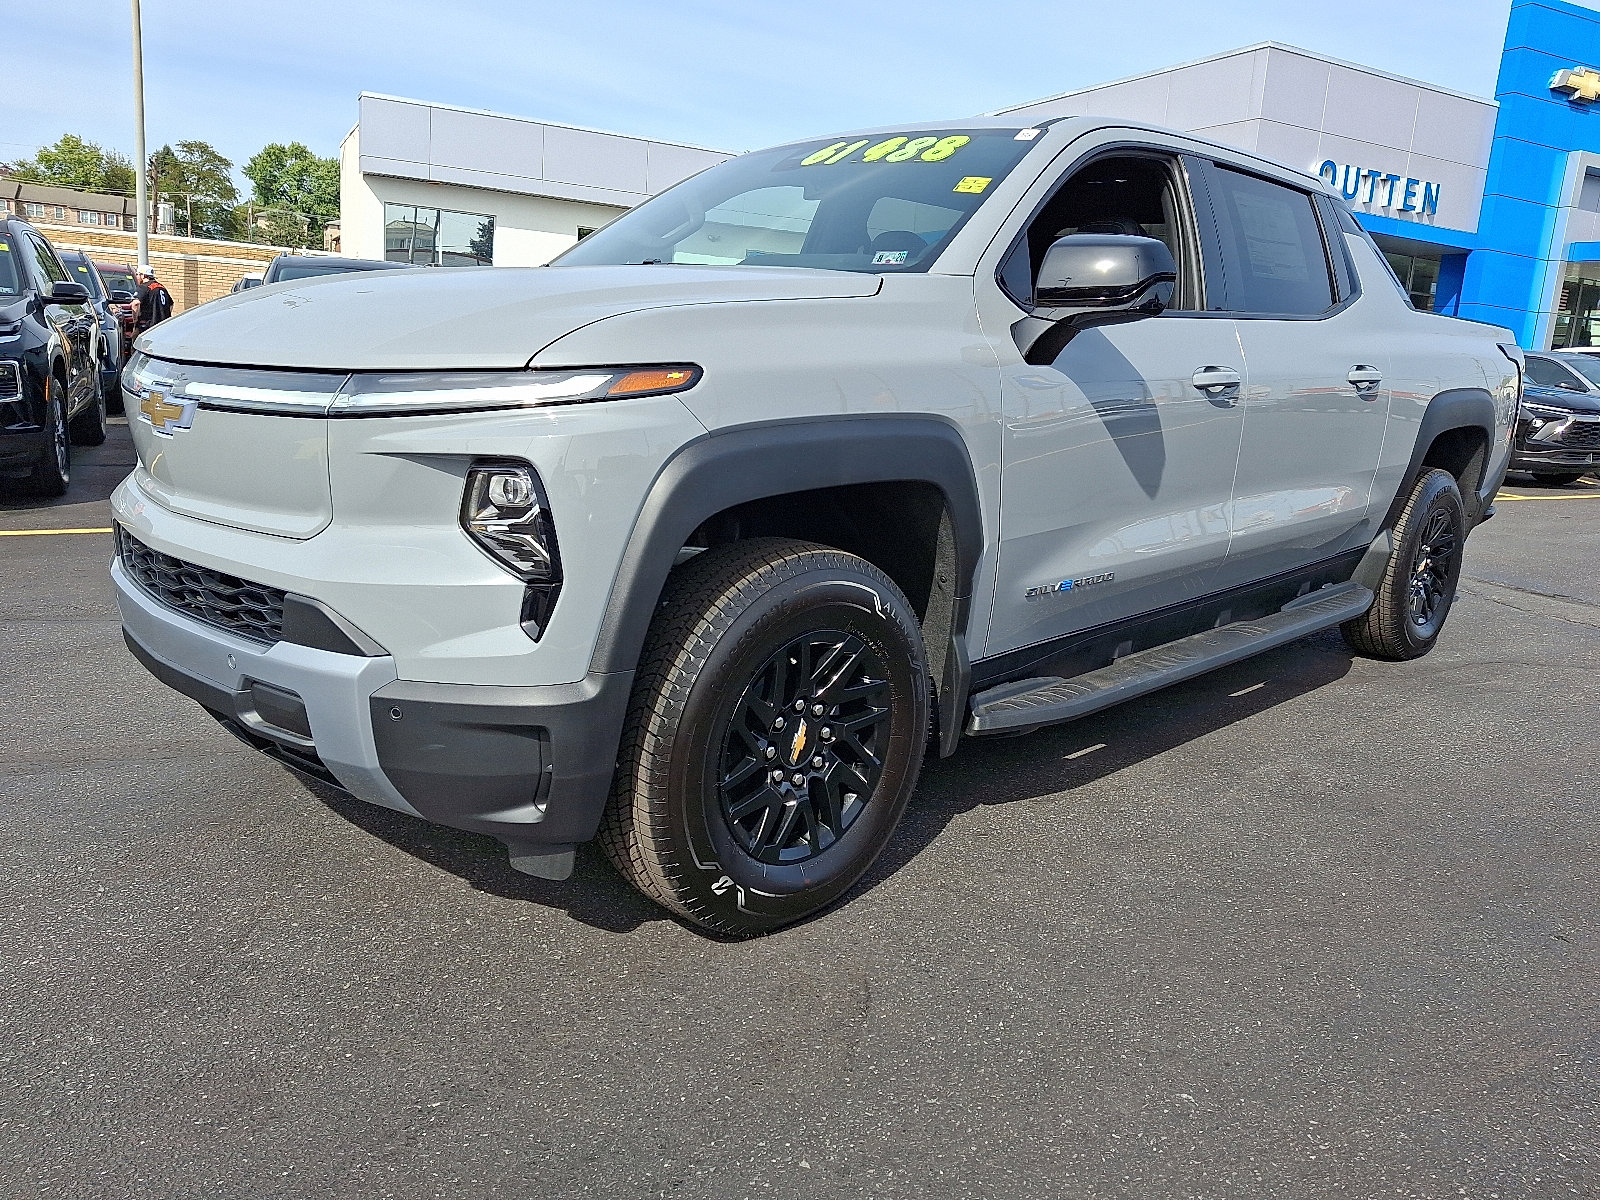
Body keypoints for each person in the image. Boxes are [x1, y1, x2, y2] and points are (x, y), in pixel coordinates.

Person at [134, 265, 173, 331]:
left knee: (135, 338)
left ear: (143, 276)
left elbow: (136, 303)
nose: (137, 277)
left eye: (137, 274)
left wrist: (135, 319)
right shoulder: (161, 287)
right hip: (164, 325)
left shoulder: (143, 287)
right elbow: (171, 304)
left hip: (148, 326)